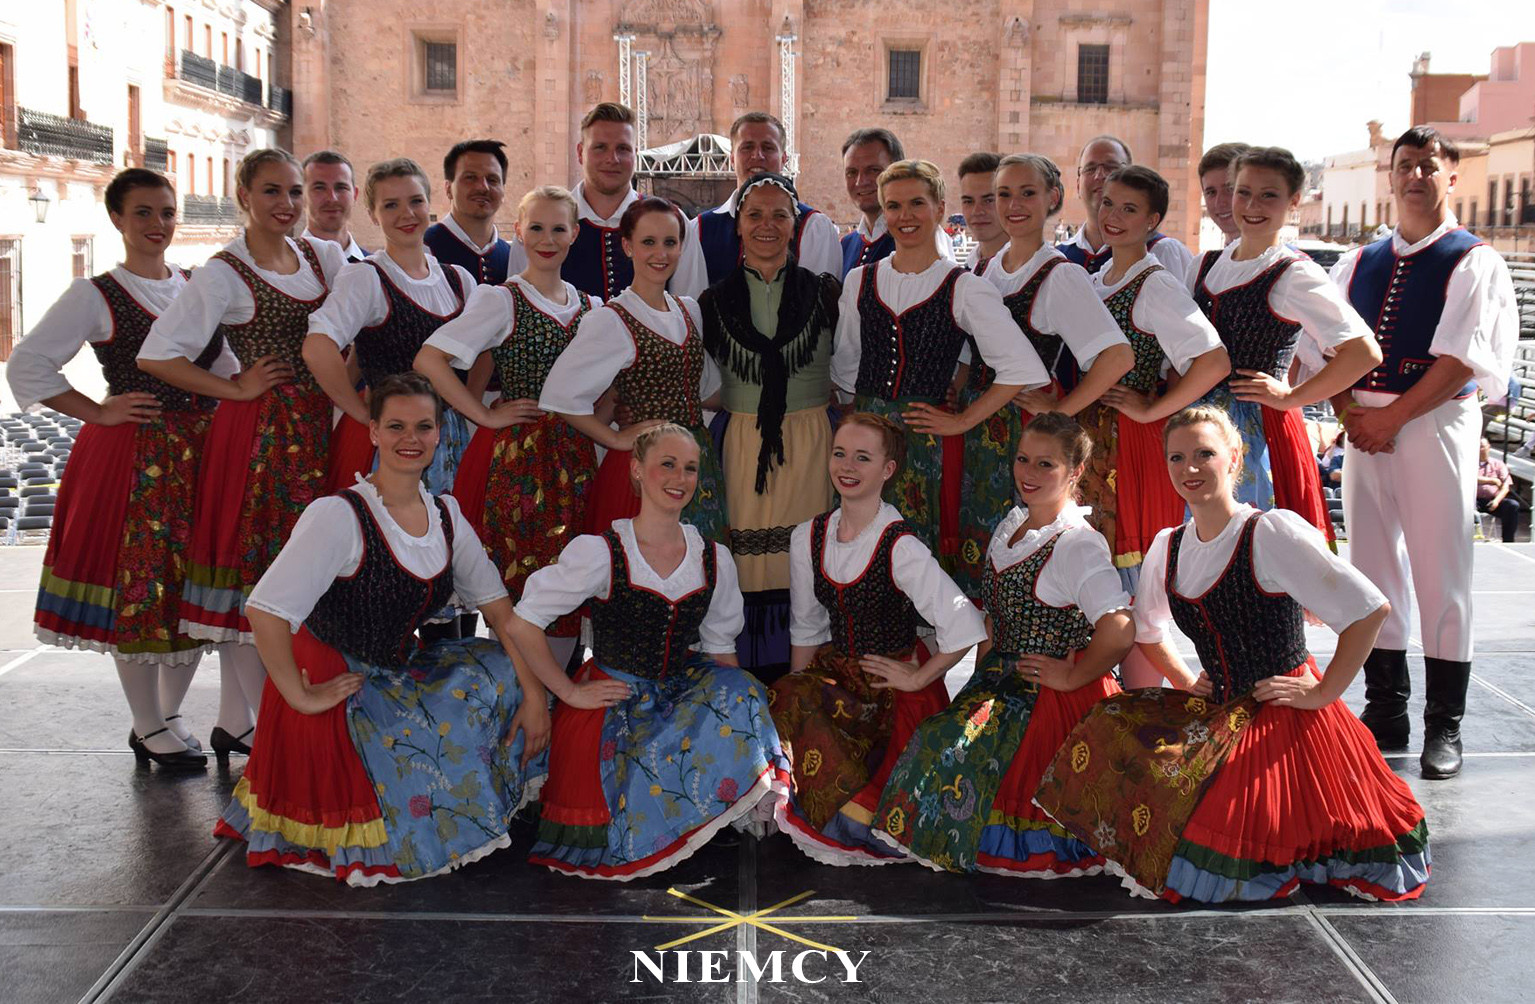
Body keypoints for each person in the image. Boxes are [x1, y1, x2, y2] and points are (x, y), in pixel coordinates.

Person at [1035, 406, 1430, 904]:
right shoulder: (1169, 545)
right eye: (1176, 457)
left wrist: (1324, 692)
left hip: (1280, 711)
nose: (1189, 468)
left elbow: (1369, 610)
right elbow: (1148, 630)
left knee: (1230, 835)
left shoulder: (1271, 532)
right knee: (1111, 721)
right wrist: (1184, 679)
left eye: (1204, 454)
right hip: (1219, 706)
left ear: (1235, 457)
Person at [215, 374, 548, 883]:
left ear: (439, 434)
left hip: (394, 667)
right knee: (429, 740)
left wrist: (534, 696)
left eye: (423, 427)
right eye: (396, 426)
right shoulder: (338, 514)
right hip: (336, 675)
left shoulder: (445, 514)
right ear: (372, 432)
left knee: (501, 668)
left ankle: (455, 795)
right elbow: (265, 610)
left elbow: (502, 614)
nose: (410, 438)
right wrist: (296, 694)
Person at [7, 168, 238, 767]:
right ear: (116, 218)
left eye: (166, 212)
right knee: (140, 587)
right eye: (143, 212)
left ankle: (171, 714)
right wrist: (98, 410)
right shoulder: (96, 293)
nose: (158, 224)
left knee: (191, 588)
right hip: (137, 456)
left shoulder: (196, 285)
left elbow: (227, 367)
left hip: (201, 453)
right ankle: (145, 721)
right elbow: (28, 365)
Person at [507, 423, 790, 879]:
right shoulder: (603, 552)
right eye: (667, 465)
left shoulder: (712, 556)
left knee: (742, 687)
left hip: (679, 687)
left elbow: (720, 648)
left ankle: (717, 805)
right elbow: (522, 621)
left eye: (690, 468)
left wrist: (743, 730)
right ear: (637, 470)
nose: (680, 478)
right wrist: (567, 692)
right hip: (615, 695)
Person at [138, 148, 348, 759]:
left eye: (294, 192)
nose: (287, 204)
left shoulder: (322, 256)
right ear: (244, 197)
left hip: (318, 429)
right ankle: (270, 726)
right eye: (271, 192)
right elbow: (157, 354)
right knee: (259, 579)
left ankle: (240, 720)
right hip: (263, 439)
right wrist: (234, 387)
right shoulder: (224, 273)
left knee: (307, 571)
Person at [1331, 127, 1518, 778]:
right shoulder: (1357, 262)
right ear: (1389, 176)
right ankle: (1386, 709)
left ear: (1451, 176)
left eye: (1428, 165)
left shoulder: (1473, 260)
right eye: (1405, 165)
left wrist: (1393, 418)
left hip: (1436, 421)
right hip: (1364, 424)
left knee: (1442, 570)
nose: (1415, 175)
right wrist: (1349, 415)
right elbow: (1328, 348)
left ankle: (1445, 724)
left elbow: (1462, 358)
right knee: (1370, 565)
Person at [872, 413, 1133, 874]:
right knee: (938, 737)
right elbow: (994, 619)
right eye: (1022, 459)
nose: (1028, 473)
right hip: (1000, 680)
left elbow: (1119, 628)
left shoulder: (1076, 545)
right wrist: (977, 686)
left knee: (954, 754)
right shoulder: (1011, 525)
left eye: (1046, 464)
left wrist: (1072, 675)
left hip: (1048, 696)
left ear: (1075, 472)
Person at [772, 413, 986, 864]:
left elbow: (964, 622)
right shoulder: (808, 536)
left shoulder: (900, 545)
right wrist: (794, 703)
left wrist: (918, 677)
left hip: (890, 686)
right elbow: (807, 627)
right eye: (840, 454)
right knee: (787, 693)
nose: (847, 466)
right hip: (837, 673)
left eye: (862, 458)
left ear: (888, 470)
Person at [417, 185, 599, 674]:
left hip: (578, 461)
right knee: (522, 583)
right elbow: (430, 359)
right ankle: (527, 697)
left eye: (558, 228)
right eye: (536, 227)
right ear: (518, 231)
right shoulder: (502, 300)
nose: (547, 239)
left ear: (574, 234)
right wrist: (484, 415)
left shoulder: (592, 306)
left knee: (570, 583)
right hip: (522, 464)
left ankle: (553, 699)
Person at [832, 159, 1051, 561]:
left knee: (918, 549)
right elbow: (847, 367)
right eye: (894, 206)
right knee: (863, 547)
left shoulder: (963, 286)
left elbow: (1021, 367)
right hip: (866, 440)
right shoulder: (859, 280)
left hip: (927, 442)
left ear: (939, 208)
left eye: (917, 203)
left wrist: (962, 421)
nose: (905, 215)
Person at [955, 153, 1131, 596]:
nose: (1013, 205)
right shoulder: (986, 268)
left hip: (1026, 430)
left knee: (1027, 552)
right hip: (981, 427)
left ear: (1053, 198)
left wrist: (1061, 412)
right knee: (984, 550)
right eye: (1004, 194)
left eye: (1027, 193)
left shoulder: (1060, 275)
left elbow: (1116, 356)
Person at [1189, 147, 1380, 541]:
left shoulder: (1293, 274)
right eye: (1243, 192)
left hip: (1258, 429)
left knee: (1253, 544)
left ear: (1294, 201)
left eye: (1268, 195)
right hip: (1197, 426)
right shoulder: (1204, 265)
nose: (1251, 206)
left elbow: (1363, 352)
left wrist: (1291, 396)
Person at [697, 173, 839, 682]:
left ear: (795, 225)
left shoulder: (824, 293)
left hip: (813, 444)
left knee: (807, 558)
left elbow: (844, 370)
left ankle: (807, 687)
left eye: (780, 215)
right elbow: (699, 382)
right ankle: (750, 684)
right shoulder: (712, 302)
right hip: (741, 444)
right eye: (755, 214)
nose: (767, 225)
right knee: (746, 565)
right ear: (738, 224)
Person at [541, 196, 727, 542]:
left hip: (694, 459)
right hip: (644, 465)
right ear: (628, 246)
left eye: (670, 242)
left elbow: (705, 391)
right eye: (648, 242)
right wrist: (613, 438)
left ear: (681, 247)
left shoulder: (688, 310)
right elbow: (559, 395)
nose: (661, 253)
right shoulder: (612, 319)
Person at [1085, 166, 1230, 590]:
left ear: (1152, 221)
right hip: (1095, 435)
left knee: (1131, 570)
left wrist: (1153, 411)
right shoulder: (1095, 280)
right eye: (1108, 203)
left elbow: (1214, 361)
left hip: (1131, 440)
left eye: (1129, 209)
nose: (1112, 216)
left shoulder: (1155, 285)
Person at [304, 158, 475, 499]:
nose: (406, 214)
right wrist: (361, 412)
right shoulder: (366, 277)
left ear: (429, 204)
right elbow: (317, 347)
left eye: (415, 201)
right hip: (392, 444)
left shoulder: (459, 280)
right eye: (391, 205)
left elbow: (484, 353)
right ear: (372, 214)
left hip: (451, 437)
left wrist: (476, 409)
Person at [671, 113, 842, 296]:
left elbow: (819, 304)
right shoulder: (698, 229)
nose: (757, 155)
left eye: (768, 148)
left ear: (784, 159)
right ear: (732, 159)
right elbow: (689, 306)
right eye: (747, 147)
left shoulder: (814, 228)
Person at [1057, 135, 1193, 278]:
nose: (1099, 175)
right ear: (1078, 185)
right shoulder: (1059, 257)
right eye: (1090, 168)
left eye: (1111, 168)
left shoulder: (1163, 251)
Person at [838, 129, 955, 277]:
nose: (860, 181)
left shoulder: (925, 238)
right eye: (851, 172)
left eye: (873, 170)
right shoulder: (846, 245)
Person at [562, 102, 642, 299]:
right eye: (600, 147)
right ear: (580, 153)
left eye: (623, 148)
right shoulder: (542, 222)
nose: (612, 159)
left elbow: (686, 308)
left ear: (635, 153)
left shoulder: (671, 222)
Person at [422, 140, 512, 286]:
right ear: (448, 188)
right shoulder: (422, 249)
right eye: (470, 177)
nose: (483, 187)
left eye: (492, 180)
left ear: (503, 191)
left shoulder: (513, 257)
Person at [301, 150, 368, 261]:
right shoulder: (282, 266)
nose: (332, 198)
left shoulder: (376, 268)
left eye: (341, 188)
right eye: (319, 188)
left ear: (355, 195)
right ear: (301, 195)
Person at [956, 152, 1006, 271]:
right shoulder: (968, 268)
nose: (977, 211)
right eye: (968, 201)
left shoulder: (1039, 270)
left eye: (988, 200)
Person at [1196, 142, 1251, 249]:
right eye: (1211, 192)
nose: (1220, 202)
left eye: (1230, 189)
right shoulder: (1211, 259)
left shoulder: (1280, 258)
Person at [1477, 437, 1521, 542]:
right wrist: (1492, 480)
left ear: (1488, 447)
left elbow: (1506, 486)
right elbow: (1470, 478)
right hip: (1474, 500)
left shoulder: (1498, 464)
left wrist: (1496, 501)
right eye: (1478, 447)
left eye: (1482, 447)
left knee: (1512, 505)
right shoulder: (1469, 464)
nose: (1480, 449)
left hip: (1493, 500)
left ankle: (1508, 540)